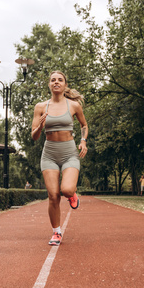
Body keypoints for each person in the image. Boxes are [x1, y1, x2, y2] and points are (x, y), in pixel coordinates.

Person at [31, 71, 88, 246]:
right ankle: (56, 232)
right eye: (53, 80)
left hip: (69, 153)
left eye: (60, 80)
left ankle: (72, 195)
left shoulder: (74, 105)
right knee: (53, 195)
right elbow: (34, 136)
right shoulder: (40, 107)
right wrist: (40, 126)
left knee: (67, 190)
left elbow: (83, 125)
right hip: (49, 155)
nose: (56, 82)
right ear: (49, 85)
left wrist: (83, 141)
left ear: (64, 85)